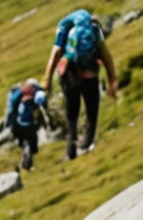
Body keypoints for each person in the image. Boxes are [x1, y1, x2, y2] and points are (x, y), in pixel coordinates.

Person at [44, 10, 119, 160]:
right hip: (90, 74)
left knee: (72, 113)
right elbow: (106, 57)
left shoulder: (64, 29)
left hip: (69, 73)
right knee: (92, 111)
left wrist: (47, 82)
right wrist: (112, 81)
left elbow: (55, 55)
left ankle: (70, 150)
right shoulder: (95, 32)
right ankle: (87, 145)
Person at [4, 79, 49, 172]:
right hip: (23, 125)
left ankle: (25, 163)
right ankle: (26, 164)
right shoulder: (21, 95)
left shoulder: (22, 94)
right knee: (29, 144)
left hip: (25, 125)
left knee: (30, 146)